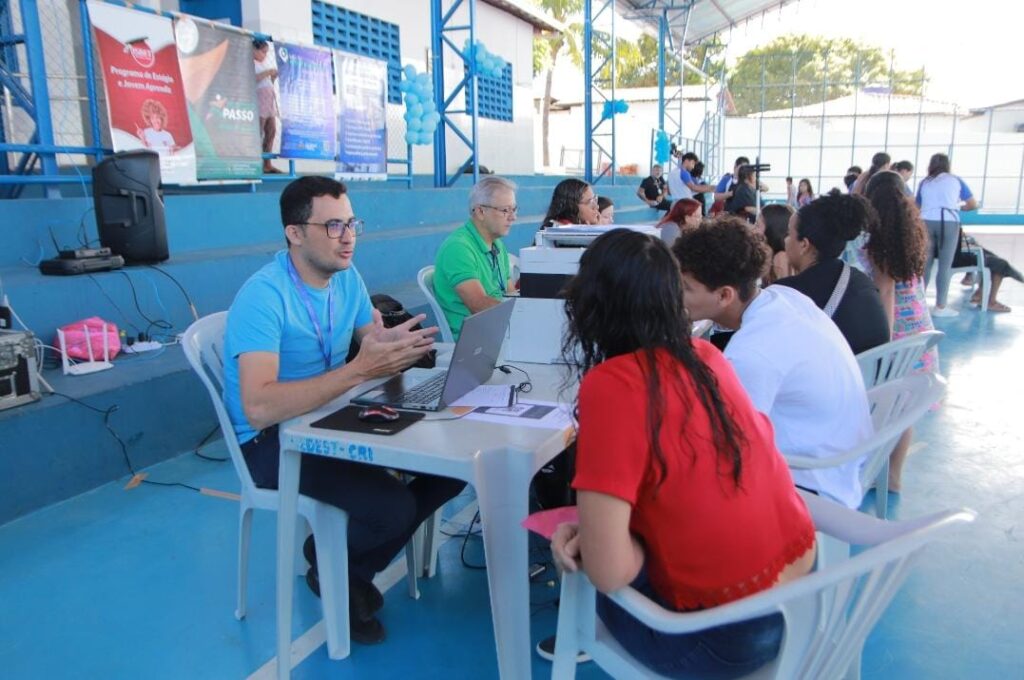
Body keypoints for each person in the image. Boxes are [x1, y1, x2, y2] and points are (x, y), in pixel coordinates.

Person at [543, 228, 817, 677]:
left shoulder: (612, 386)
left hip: (724, 639)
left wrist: (595, 537)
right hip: (805, 598)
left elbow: (610, 573)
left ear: (590, 308)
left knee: (580, 575)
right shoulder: (707, 356)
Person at [223, 176, 465, 644]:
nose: (349, 235)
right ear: (295, 233)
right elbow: (257, 407)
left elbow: (367, 342)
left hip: (332, 418)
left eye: (351, 222)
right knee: (391, 509)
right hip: (273, 441)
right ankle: (334, 567)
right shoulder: (263, 296)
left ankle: (344, 568)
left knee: (451, 469)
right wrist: (359, 371)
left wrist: (389, 345)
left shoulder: (346, 278)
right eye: (333, 225)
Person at [673, 218, 873, 509]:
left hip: (812, 482)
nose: (675, 295)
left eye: (685, 287)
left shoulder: (751, 354)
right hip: (843, 458)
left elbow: (724, 451)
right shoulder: (784, 298)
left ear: (725, 295)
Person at [861, 170, 938, 492]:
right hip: (921, 330)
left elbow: (885, 294)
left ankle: (875, 474)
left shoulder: (880, 244)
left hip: (900, 336)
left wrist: (884, 344)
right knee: (904, 412)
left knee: (885, 408)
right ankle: (893, 476)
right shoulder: (912, 234)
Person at [775, 190, 890, 355]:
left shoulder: (785, 295)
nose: (785, 240)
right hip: (872, 378)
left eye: (789, 234)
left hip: (826, 380)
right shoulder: (862, 281)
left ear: (804, 245)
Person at [433, 176, 517, 339]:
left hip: (500, 330)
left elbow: (510, 293)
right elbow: (479, 306)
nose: (513, 217)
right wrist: (523, 315)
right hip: (476, 340)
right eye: (505, 210)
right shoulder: (458, 248)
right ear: (480, 211)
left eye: (514, 209)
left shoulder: (497, 244)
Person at [916, 153, 979, 317]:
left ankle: (919, 306)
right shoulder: (955, 180)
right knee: (945, 266)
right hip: (949, 223)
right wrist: (959, 208)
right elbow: (972, 204)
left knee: (925, 265)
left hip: (925, 222)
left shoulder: (925, 182)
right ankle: (940, 306)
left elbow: (917, 206)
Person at [253, 39, 281, 174]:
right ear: (254, 49)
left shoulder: (264, 64)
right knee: (259, 129)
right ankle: (255, 161)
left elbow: (268, 81)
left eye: (266, 53)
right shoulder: (250, 62)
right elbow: (254, 78)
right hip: (259, 98)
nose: (264, 55)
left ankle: (267, 163)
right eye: (263, 52)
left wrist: (273, 77)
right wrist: (269, 71)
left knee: (271, 130)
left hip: (269, 97)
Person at [755, 203, 793, 284]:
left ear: (772, 229)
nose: (754, 229)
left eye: (757, 225)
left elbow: (783, 291)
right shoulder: (769, 253)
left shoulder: (781, 257)